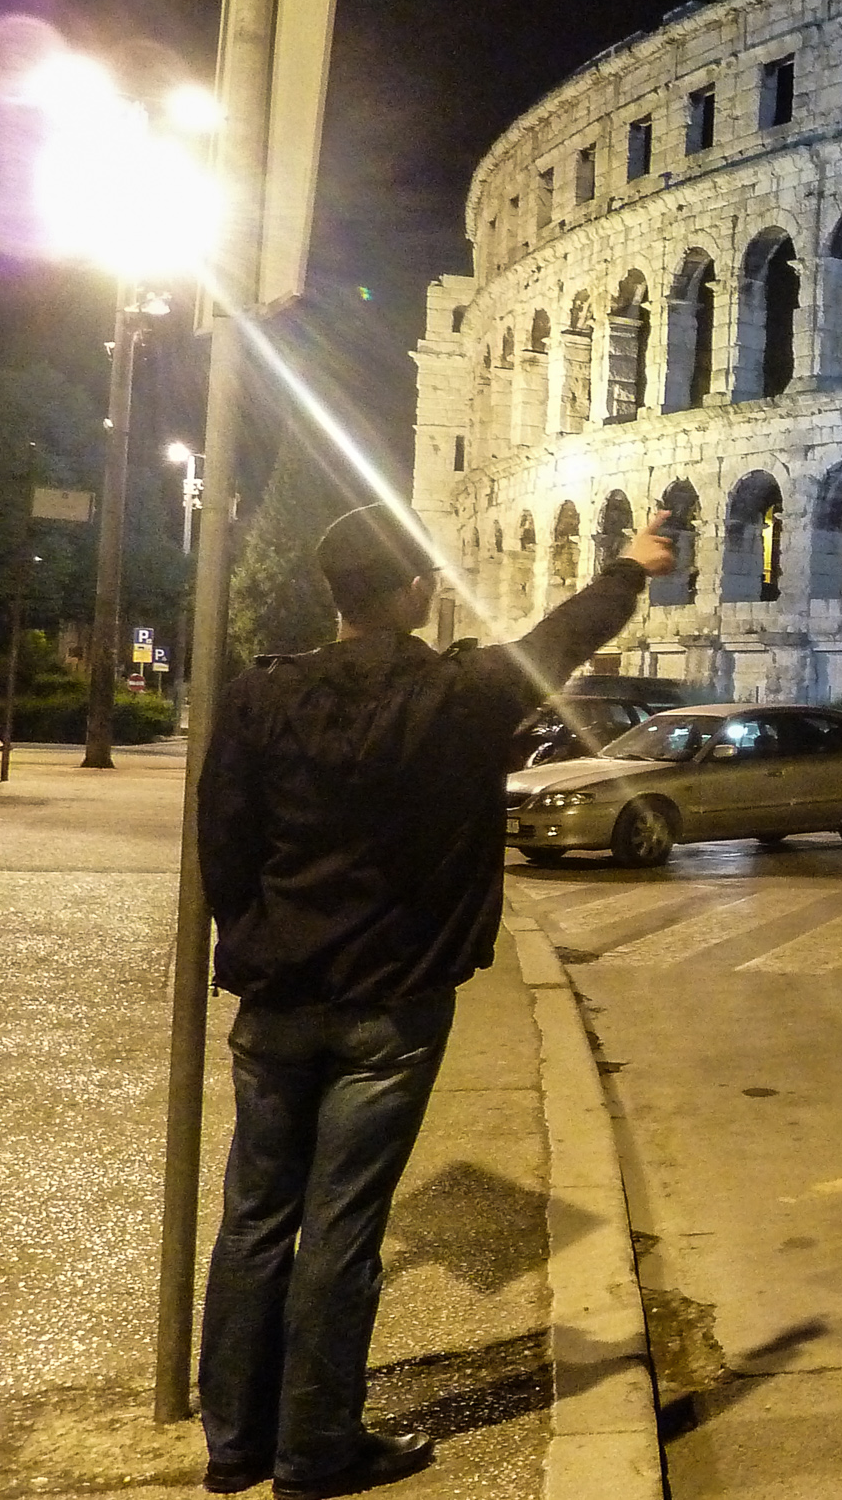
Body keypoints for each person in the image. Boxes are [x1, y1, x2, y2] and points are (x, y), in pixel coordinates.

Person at [194, 502, 675, 1497]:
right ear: (412, 590)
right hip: (392, 1006)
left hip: (277, 1001)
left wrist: (257, 941)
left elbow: (224, 842)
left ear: (334, 592)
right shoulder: (458, 692)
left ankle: (236, 1441)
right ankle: (315, 1448)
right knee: (341, 1227)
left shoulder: (258, 696)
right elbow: (562, 639)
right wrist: (629, 567)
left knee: (253, 1217)